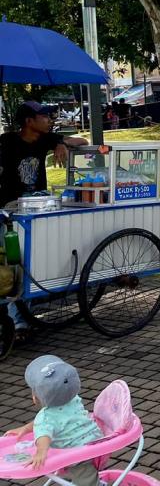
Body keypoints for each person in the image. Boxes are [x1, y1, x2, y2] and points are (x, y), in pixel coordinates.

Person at [1, 102, 87, 343]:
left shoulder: (45, 139)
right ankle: (17, 321)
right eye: (44, 116)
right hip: (10, 210)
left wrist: (60, 142)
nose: (49, 119)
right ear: (29, 121)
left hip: (36, 207)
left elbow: (81, 141)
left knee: (30, 261)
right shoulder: (7, 142)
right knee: (13, 264)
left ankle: (22, 317)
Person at [4, 355, 103, 486]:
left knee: (85, 478)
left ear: (35, 398)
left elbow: (44, 435)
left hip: (77, 455)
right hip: (97, 442)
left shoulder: (45, 417)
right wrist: (26, 428)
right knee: (82, 473)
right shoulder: (74, 399)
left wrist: (41, 453)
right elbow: (52, 422)